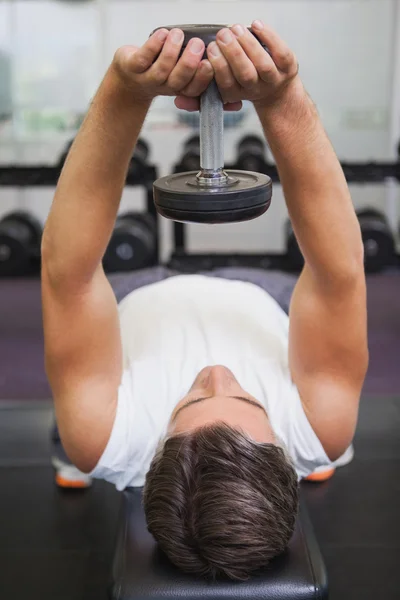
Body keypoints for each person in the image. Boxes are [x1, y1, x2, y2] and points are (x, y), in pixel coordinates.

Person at [42, 21, 368, 581]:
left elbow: (68, 275)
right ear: (282, 458)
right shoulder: (316, 427)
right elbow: (337, 272)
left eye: (192, 401)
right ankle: (307, 456)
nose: (217, 372)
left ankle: (63, 451)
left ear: (157, 449)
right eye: (248, 401)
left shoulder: (112, 434)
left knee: (74, 436)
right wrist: (281, 98)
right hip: (261, 299)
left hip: (140, 301)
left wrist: (126, 92)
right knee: (330, 430)